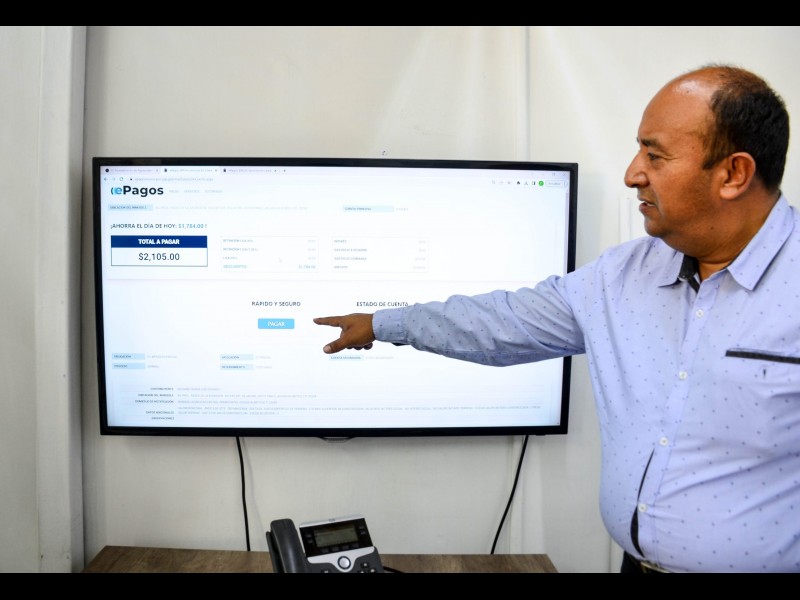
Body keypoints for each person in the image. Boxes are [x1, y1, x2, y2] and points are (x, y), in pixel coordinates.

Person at [314, 64, 800, 573]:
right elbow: (503, 322)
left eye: (655, 156)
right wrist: (381, 324)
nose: (633, 173)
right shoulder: (623, 276)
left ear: (733, 174)